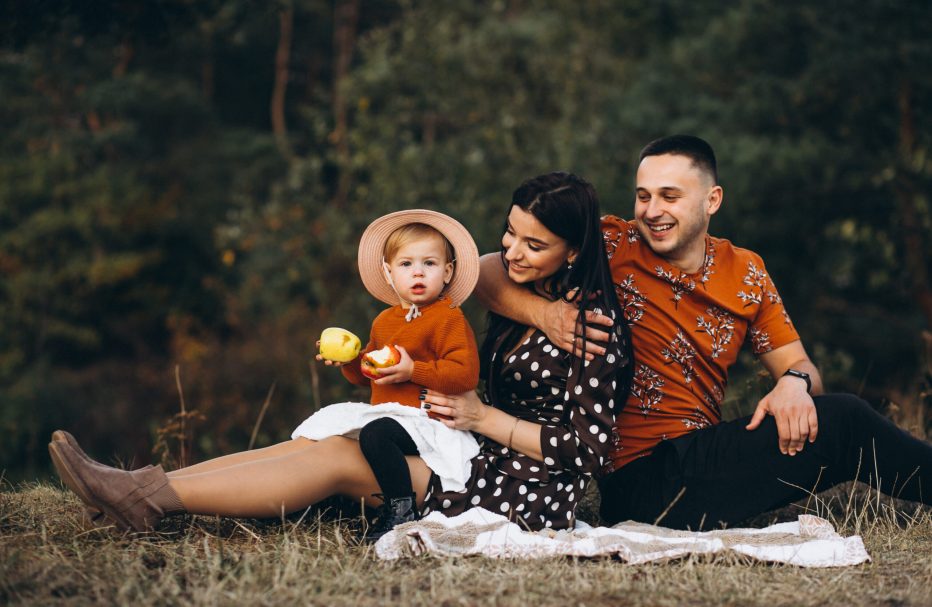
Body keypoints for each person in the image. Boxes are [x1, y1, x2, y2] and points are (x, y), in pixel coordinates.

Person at [48, 172, 632, 534]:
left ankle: (147, 500)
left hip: (522, 492)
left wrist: (484, 418)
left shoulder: (596, 331)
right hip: (472, 453)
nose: (512, 251)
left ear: (575, 252)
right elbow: (475, 271)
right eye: (509, 233)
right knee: (316, 444)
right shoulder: (526, 295)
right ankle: (142, 487)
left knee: (336, 463)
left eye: (534, 244)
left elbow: (591, 450)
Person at [476, 135, 932, 530]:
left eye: (669, 197)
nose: (651, 211)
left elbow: (802, 367)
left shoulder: (747, 271)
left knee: (837, 420)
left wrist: (794, 384)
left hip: (702, 462)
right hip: (638, 475)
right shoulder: (610, 243)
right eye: (643, 195)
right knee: (848, 419)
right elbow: (484, 272)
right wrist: (545, 315)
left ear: (711, 200)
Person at [292, 211, 482, 541]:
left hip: (430, 420)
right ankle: (322, 497)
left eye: (430, 263)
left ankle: (401, 509)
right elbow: (368, 376)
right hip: (392, 414)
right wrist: (351, 361)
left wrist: (414, 370)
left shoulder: (448, 318)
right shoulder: (384, 321)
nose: (418, 272)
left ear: (447, 271)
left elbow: (465, 376)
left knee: (376, 435)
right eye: (406, 264)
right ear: (389, 272)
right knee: (332, 430)